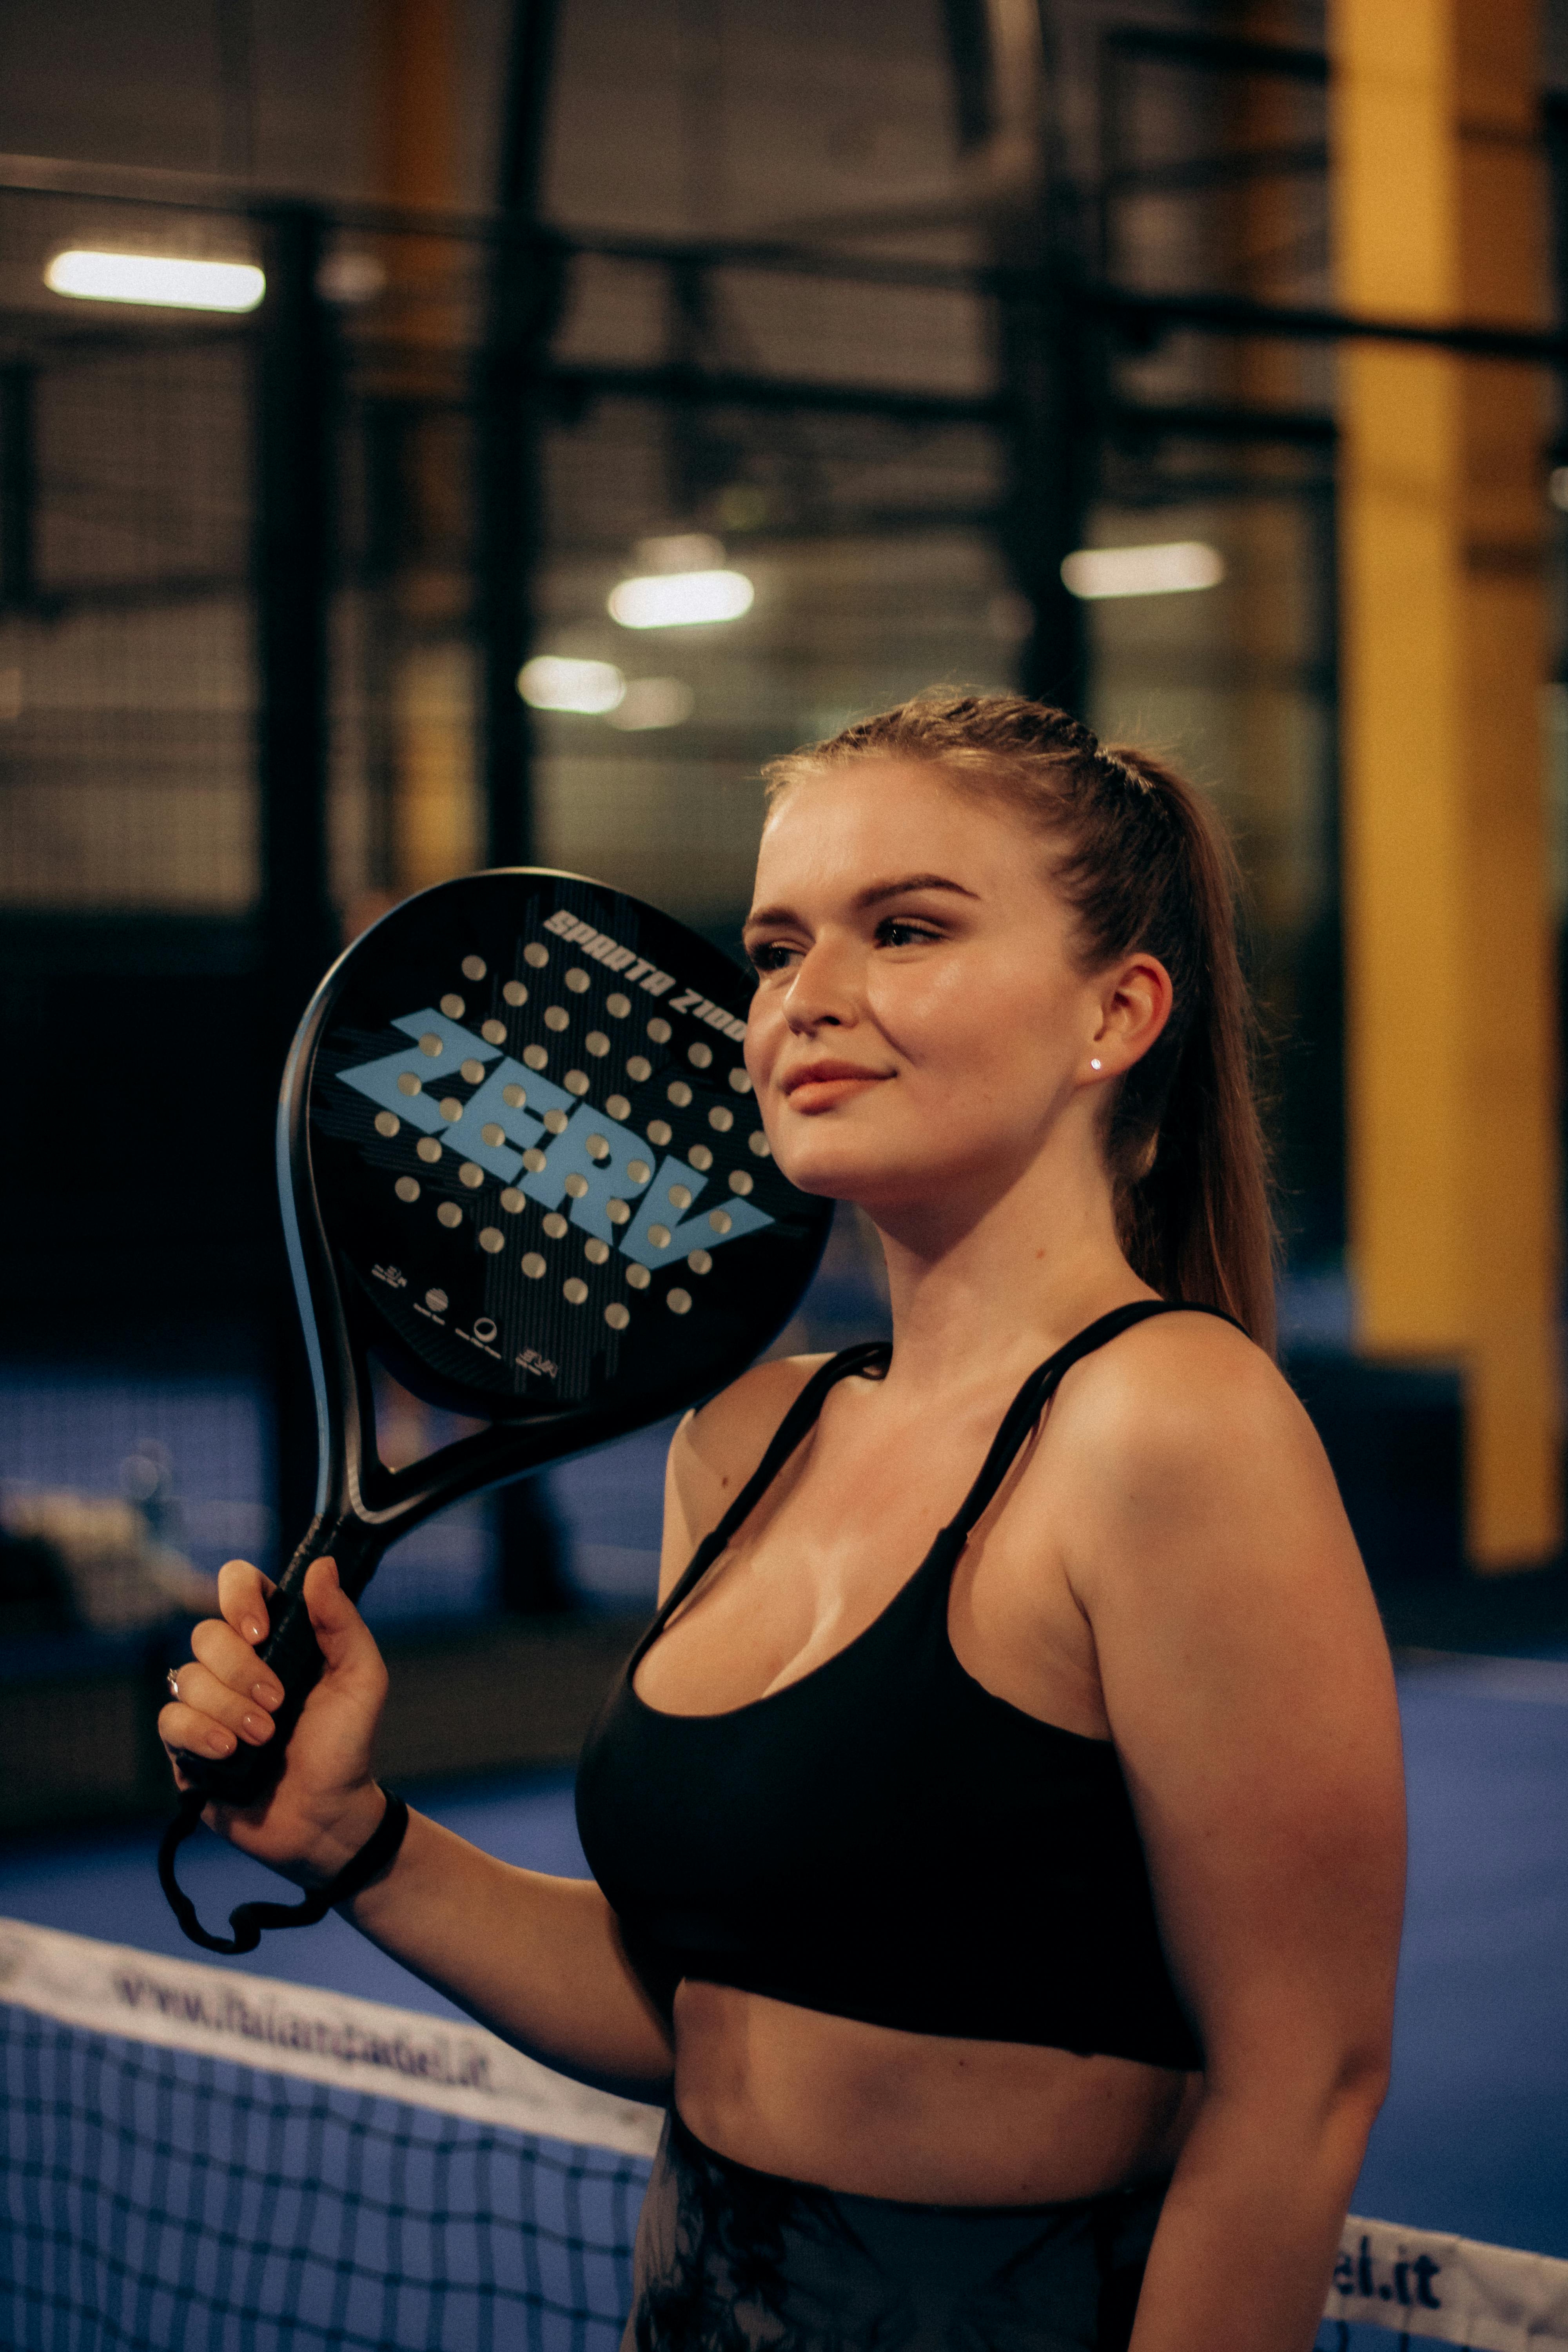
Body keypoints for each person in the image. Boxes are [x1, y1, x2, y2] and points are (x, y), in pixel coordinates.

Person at [160, 693, 1405, 2352]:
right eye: (770, 947)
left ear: (1116, 1010)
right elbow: (706, 2020)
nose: (805, 1002)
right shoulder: (747, 1432)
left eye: (904, 929)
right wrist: (353, 1842)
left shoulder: (1171, 1427)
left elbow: (1302, 2087)